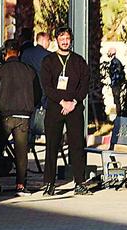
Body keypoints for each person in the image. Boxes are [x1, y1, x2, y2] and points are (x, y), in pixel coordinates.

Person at [0, 39, 41, 196]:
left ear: (5, 53)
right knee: (21, 153)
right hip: (24, 116)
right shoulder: (30, 71)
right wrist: (28, 106)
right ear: (19, 53)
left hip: (4, 116)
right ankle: (21, 185)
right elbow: (38, 94)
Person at [40, 26, 93, 195]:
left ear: (71, 40)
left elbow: (84, 84)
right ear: (56, 40)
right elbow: (46, 86)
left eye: (67, 38)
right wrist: (62, 101)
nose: (64, 41)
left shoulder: (79, 61)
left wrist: (74, 102)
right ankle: (49, 183)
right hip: (55, 107)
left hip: (75, 108)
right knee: (52, 146)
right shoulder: (48, 61)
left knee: (77, 146)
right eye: (61, 38)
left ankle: (79, 183)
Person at [105, 46, 126, 112]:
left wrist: (114, 82)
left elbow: (116, 74)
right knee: (116, 99)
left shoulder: (114, 62)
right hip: (116, 83)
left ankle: (118, 113)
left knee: (117, 99)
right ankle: (118, 113)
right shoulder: (116, 61)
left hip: (116, 84)